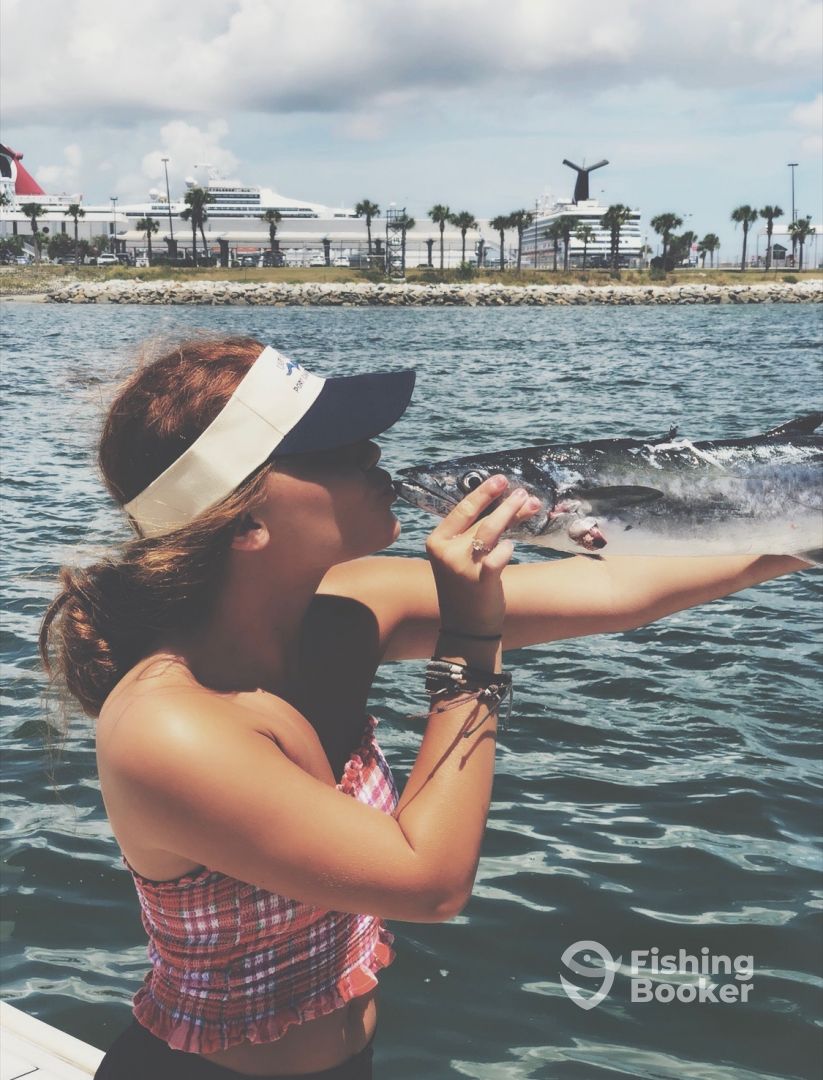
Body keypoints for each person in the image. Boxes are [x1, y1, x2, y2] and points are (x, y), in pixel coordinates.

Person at [40, 336, 808, 1078]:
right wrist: (471, 638)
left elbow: (607, 589)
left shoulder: (347, 607)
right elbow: (428, 882)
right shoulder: (171, 727)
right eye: (337, 449)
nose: (374, 453)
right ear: (243, 521)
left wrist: (793, 536)